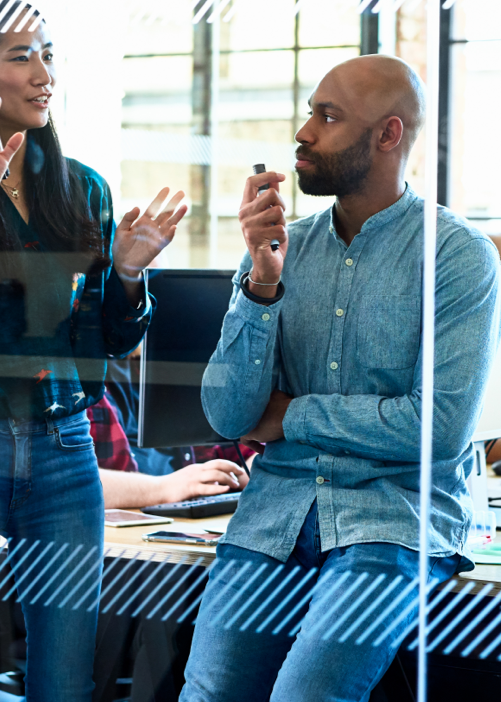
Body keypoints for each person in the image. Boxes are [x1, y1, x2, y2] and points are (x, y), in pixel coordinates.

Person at [0, 2, 186, 701]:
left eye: (48, 53)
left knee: (62, 687)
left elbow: (110, 340)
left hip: (62, 450)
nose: (45, 74)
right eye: (22, 56)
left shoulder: (81, 188)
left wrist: (131, 273)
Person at [180, 55, 501, 702]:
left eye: (327, 117)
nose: (303, 132)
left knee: (304, 697)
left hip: (390, 524)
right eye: (308, 112)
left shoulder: (456, 256)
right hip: (271, 519)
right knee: (206, 696)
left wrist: (290, 416)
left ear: (386, 136)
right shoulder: (280, 247)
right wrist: (260, 285)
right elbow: (228, 415)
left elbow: (433, 430)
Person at [88, 387, 252, 509]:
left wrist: (240, 473)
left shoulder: (156, 370)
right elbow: (67, 482)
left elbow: (223, 451)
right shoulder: (74, 386)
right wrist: (166, 487)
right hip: (127, 535)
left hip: (186, 519)